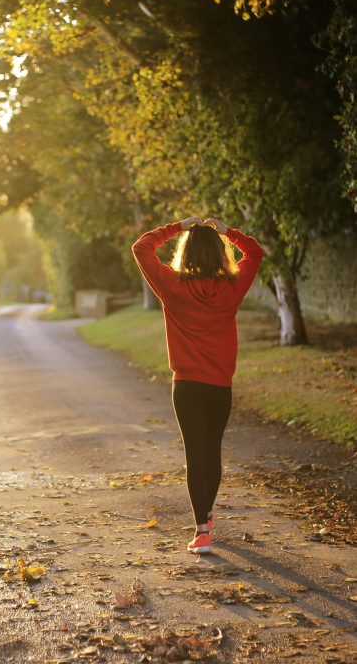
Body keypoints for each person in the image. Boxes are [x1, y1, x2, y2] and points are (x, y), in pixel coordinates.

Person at [131, 216, 265, 554]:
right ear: (220, 254)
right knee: (212, 451)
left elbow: (141, 247)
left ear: (186, 253)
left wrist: (177, 227)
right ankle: (205, 517)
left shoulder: (173, 286)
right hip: (220, 386)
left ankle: (202, 530)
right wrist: (228, 232)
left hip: (187, 386)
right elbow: (255, 252)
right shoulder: (232, 288)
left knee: (196, 453)